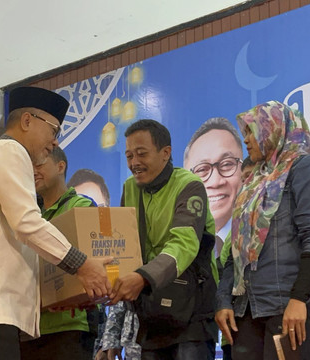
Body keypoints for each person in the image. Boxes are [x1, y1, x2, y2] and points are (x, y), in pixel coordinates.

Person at [0, 86, 112, 360]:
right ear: (27, 121)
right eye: (54, 131)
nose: (55, 143)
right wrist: (83, 266)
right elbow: (27, 223)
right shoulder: (10, 152)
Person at [215, 101, 310, 360]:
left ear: (273, 129)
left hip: (293, 307)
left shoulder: (307, 168)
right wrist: (224, 300)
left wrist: (299, 298)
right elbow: (234, 251)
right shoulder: (253, 182)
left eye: (251, 131)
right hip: (247, 311)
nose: (245, 140)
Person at [109, 119, 218, 359]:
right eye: (129, 156)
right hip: (151, 314)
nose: (134, 163)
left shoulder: (189, 185)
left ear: (166, 153)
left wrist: (142, 277)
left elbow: (184, 244)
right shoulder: (130, 188)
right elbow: (125, 249)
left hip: (192, 314)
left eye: (141, 154)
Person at [20, 147, 98, 360]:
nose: (33, 171)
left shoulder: (81, 207)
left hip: (70, 327)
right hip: (29, 329)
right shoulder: (28, 217)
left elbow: (95, 265)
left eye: (39, 164)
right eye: (30, 167)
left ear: (60, 166)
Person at [183, 117, 243, 257]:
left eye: (227, 164)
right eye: (202, 169)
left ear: (244, 170)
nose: (216, 182)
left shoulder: (259, 235)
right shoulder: (177, 242)